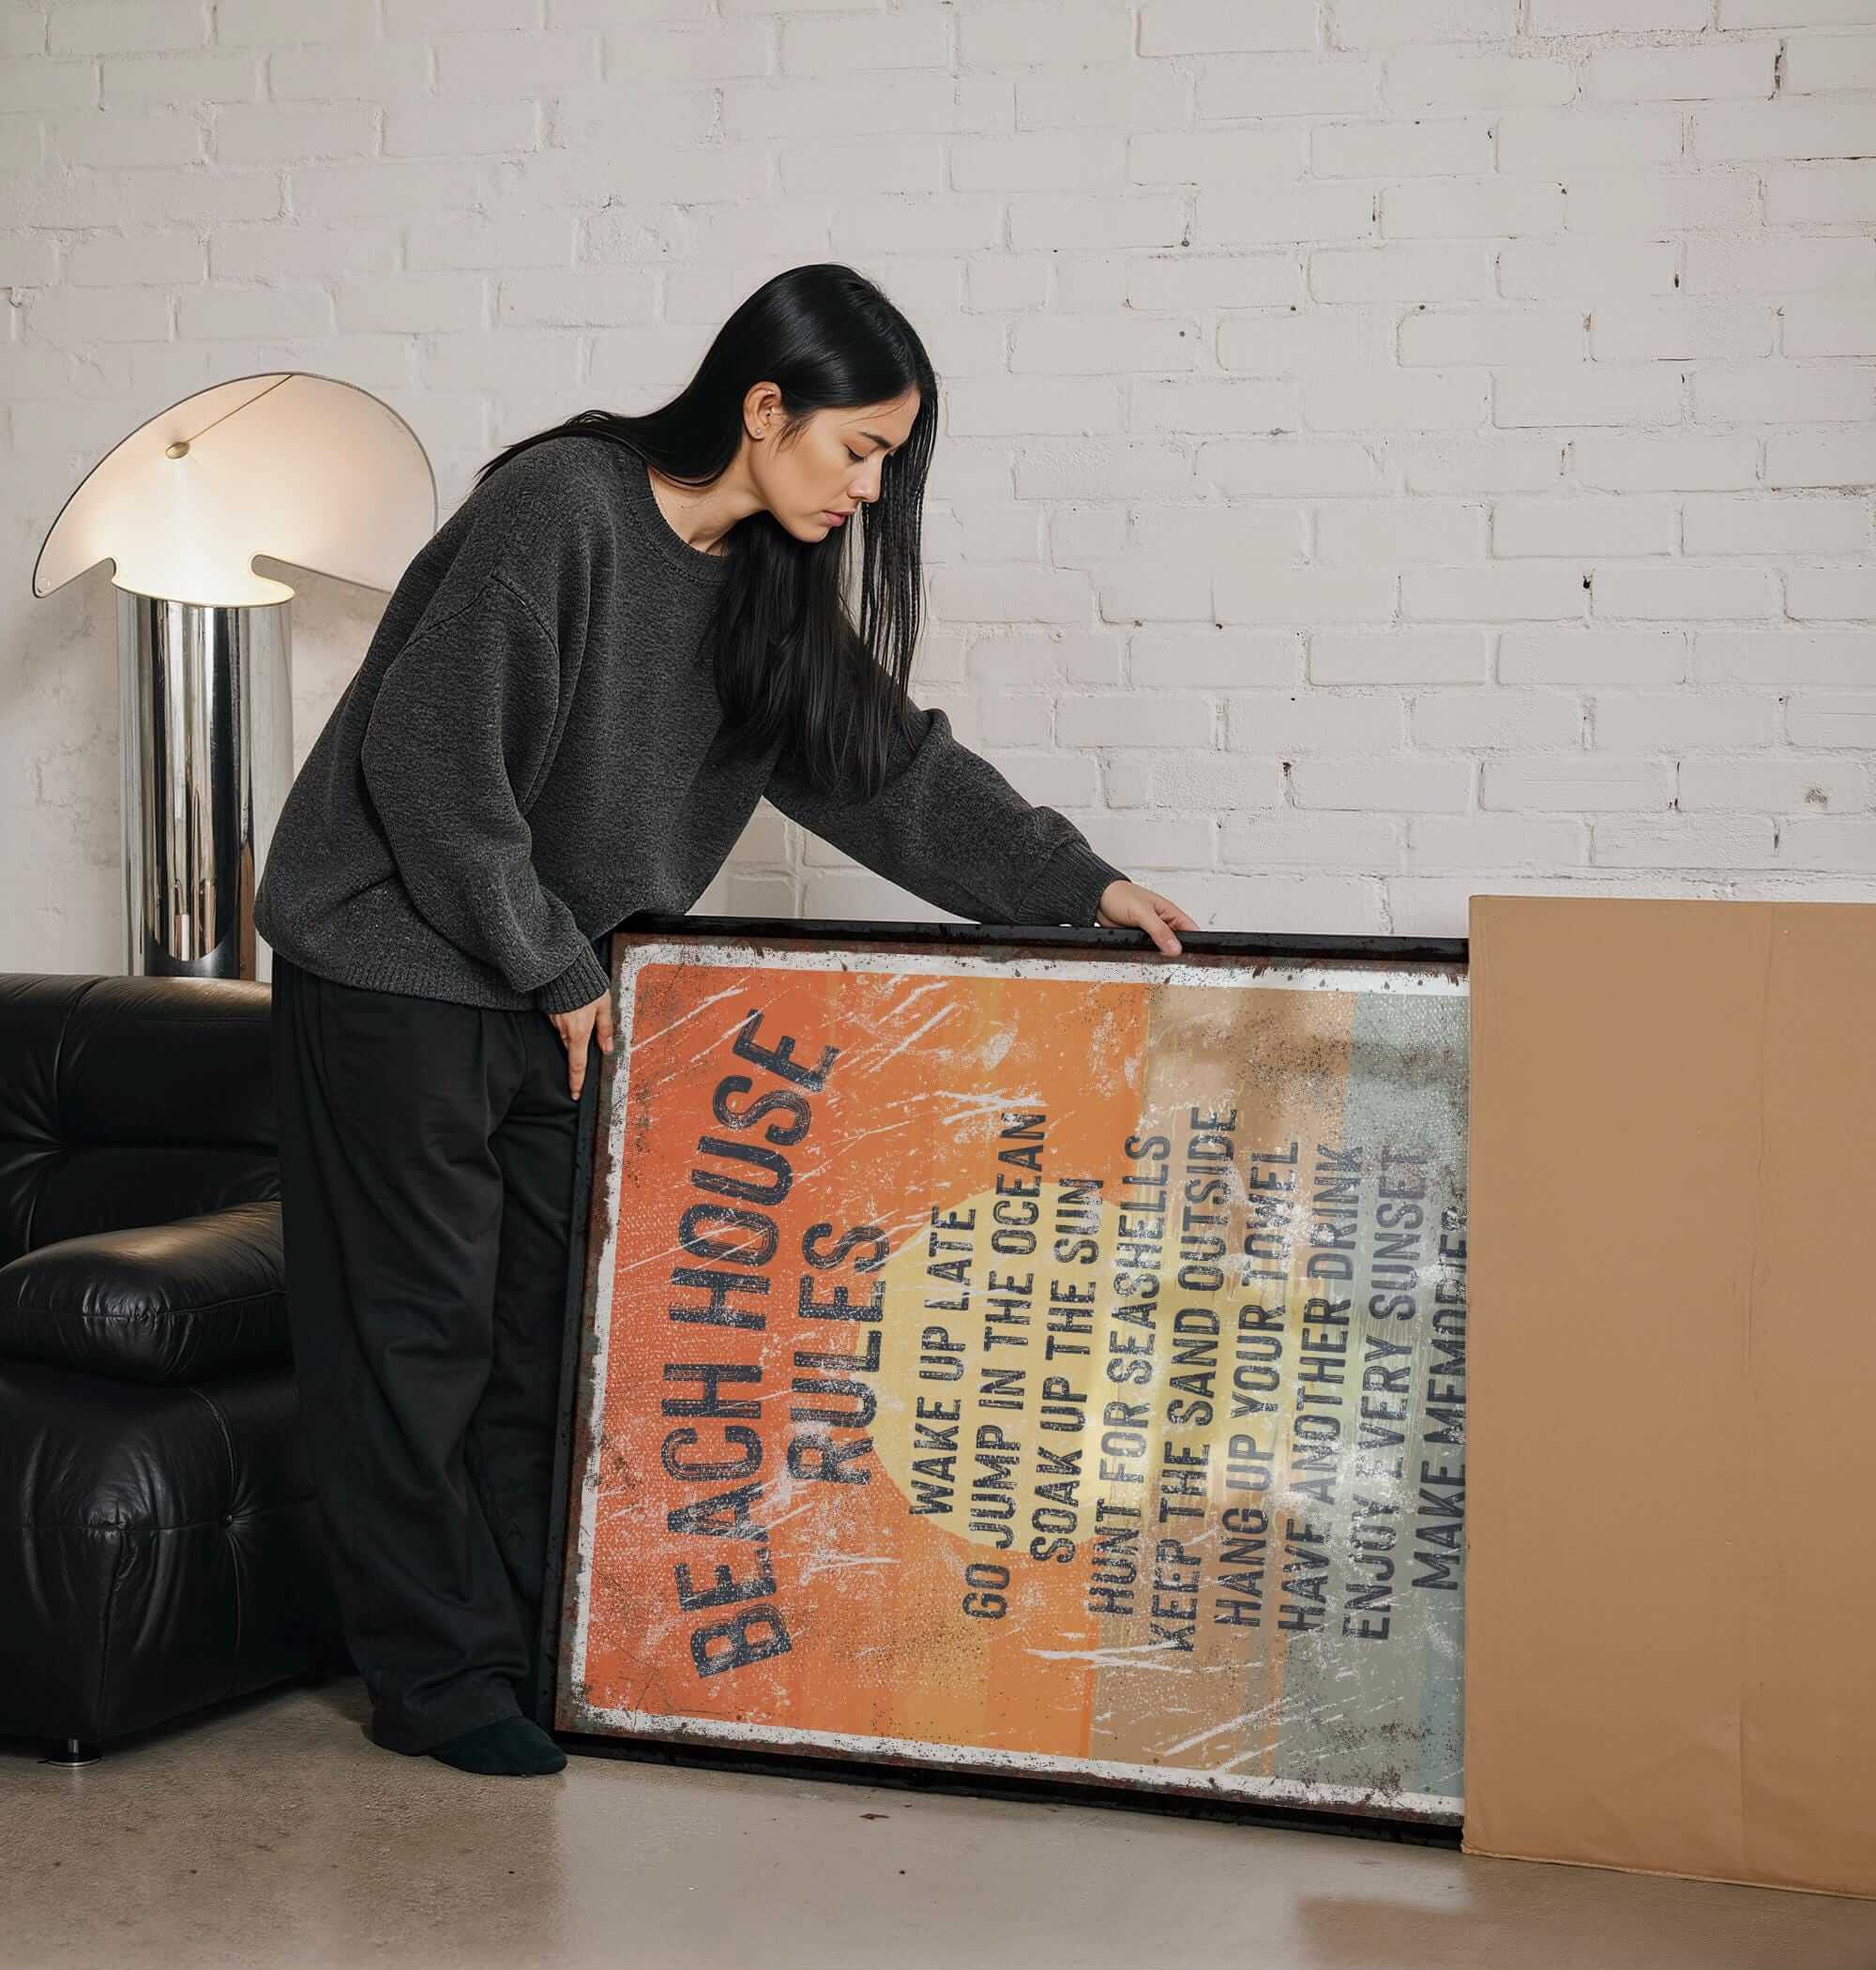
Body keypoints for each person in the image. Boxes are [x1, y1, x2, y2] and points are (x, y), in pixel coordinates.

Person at [254, 262, 1201, 1777]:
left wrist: (1075, 886)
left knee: (543, 1340)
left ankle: (523, 1653)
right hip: (400, 962)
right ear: (765, 409)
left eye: (892, 462)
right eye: (858, 450)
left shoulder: (762, 582)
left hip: (553, 987)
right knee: (412, 1340)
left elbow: (887, 769)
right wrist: (554, 969)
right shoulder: (562, 507)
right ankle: (437, 1684)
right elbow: (433, 767)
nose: (872, 492)